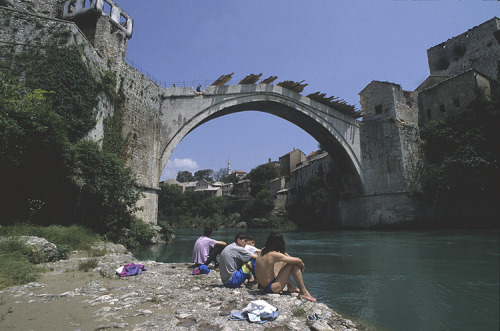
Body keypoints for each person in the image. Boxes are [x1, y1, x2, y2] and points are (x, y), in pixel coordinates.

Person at [255, 232, 316, 302]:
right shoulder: (274, 255)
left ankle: (291, 287)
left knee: (284, 261)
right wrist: (301, 265)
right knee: (293, 264)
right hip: (271, 288)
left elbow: (284, 256)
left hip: (263, 286)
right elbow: (298, 260)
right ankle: (303, 291)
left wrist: (292, 259)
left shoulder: (263, 250)